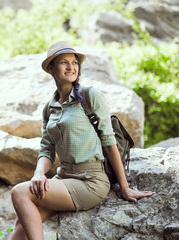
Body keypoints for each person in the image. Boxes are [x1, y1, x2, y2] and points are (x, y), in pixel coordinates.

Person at [9, 41, 155, 240]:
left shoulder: (90, 96)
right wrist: (38, 174)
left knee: (19, 192)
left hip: (90, 181)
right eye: (64, 62)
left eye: (74, 62)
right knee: (22, 225)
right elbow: (46, 149)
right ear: (51, 68)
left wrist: (125, 187)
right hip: (63, 177)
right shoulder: (49, 108)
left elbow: (109, 141)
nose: (71, 67)